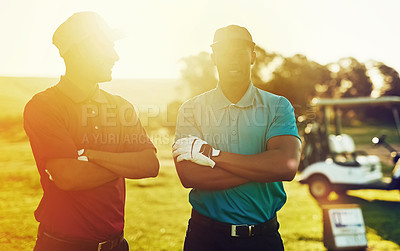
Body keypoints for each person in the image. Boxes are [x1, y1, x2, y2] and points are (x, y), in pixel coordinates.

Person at [24, 12, 159, 251]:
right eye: (106, 46)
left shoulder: (120, 106)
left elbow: (149, 165)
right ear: (79, 51)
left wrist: (94, 156)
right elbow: (68, 177)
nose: (115, 56)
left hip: (117, 245)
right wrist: (124, 163)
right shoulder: (44, 106)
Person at [172, 25, 301, 251]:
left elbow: (285, 166)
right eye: (224, 53)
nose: (232, 60)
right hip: (206, 237)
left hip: (263, 238)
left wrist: (212, 155)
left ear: (252, 57)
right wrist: (261, 167)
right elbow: (190, 175)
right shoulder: (191, 109)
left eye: (240, 53)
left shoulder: (278, 106)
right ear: (214, 58)